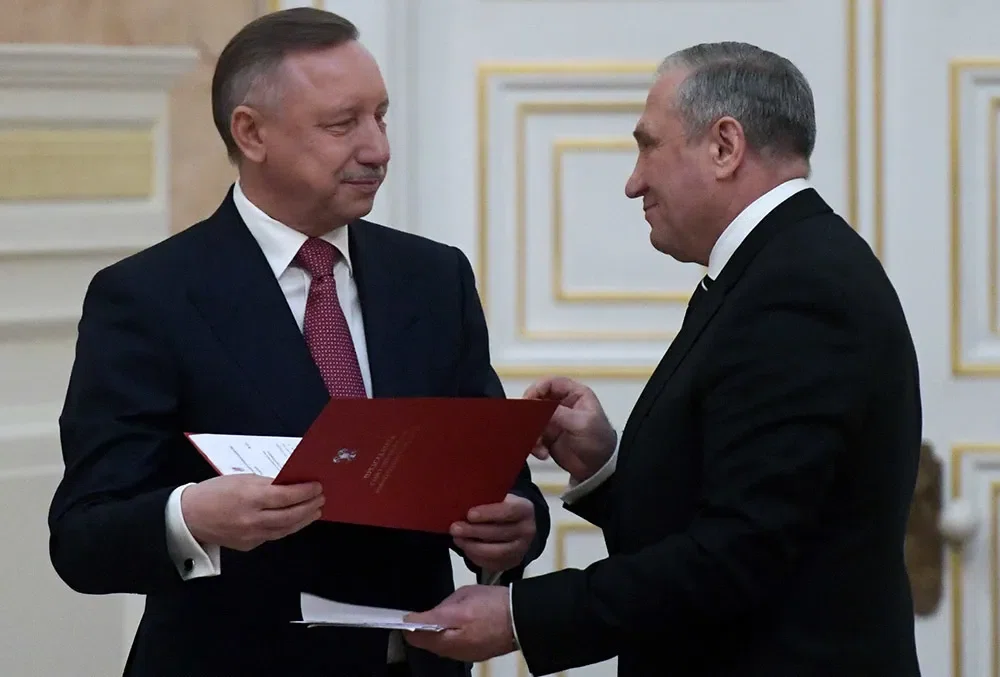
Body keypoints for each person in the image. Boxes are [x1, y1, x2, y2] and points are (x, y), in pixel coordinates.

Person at [47, 8, 549, 677]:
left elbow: (496, 478)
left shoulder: (435, 278)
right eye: (343, 124)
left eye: (381, 117)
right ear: (251, 133)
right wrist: (192, 516)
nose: (377, 149)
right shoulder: (147, 297)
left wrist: (515, 529)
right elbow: (83, 537)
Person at [404, 42, 923, 677]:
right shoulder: (775, 268)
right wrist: (603, 464)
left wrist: (519, 617)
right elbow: (727, 507)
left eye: (649, 146)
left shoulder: (797, 289)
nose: (634, 182)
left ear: (725, 147)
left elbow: (737, 555)